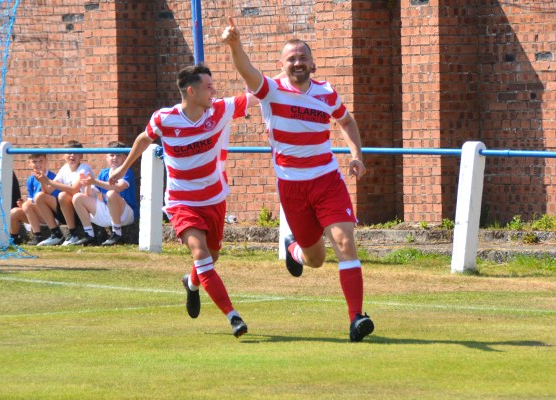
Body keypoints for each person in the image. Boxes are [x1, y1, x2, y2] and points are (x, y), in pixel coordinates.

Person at [222, 17, 374, 342]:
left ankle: (357, 318)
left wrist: (357, 155)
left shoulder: (326, 92)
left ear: (312, 64)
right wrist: (235, 45)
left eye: (303, 57)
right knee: (315, 259)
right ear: (281, 65)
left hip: (327, 180)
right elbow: (247, 71)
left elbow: (347, 122)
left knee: (345, 243)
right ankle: (294, 250)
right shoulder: (271, 90)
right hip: (292, 186)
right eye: (291, 58)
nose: (297, 62)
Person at [110, 64, 257, 338]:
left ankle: (191, 283)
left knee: (211, 257)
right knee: (200, 253)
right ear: (192, 91)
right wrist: (123, 167)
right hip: (181, 202)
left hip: (214, 198)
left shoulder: (220, 110)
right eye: (209, 87)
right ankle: (233, 316)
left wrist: (291, 76)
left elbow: (259, 92)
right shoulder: (165, 118)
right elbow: (144, 138)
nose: (214, 91)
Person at [72, 141, 139, 246]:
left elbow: (118, 188)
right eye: (111, 155)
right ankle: (89, 234)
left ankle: (117, 233)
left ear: (125, 158)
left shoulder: (126, 171)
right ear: (106, 157)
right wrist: (88, 183)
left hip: (127, 214)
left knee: (111, 193)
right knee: (77, 197)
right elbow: (89, 195)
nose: (114, 158)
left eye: (118, 155)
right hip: (110, 212)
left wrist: (94, 181)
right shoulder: (104, 173)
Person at [34, 140, 94, 246]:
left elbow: (74, 190)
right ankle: (56, 234)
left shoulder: (84, 168)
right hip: (68, 210)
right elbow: (47, 191)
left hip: (84, 213)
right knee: (39, 196)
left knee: (63, 195)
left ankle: (73, 234)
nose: (72, 155)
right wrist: (42, 181)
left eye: (75, 153)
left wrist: (48, 181)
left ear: (81, 155)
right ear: (63, 156)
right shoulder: (64, 168)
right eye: (69, 153)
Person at [9, 153, 60, 245]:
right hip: (36, 213)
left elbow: (52, 200)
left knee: (27, 205)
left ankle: (37, 236)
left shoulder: (53, 177)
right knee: (14, 212)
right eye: (34, 161)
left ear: (46, 161)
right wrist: (23, 205)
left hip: (52, 216)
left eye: (41, 161)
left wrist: (27, 205)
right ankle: (14, 239)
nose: (38, 164)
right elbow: (30, 200)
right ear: (29, 163)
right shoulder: (31, 179)